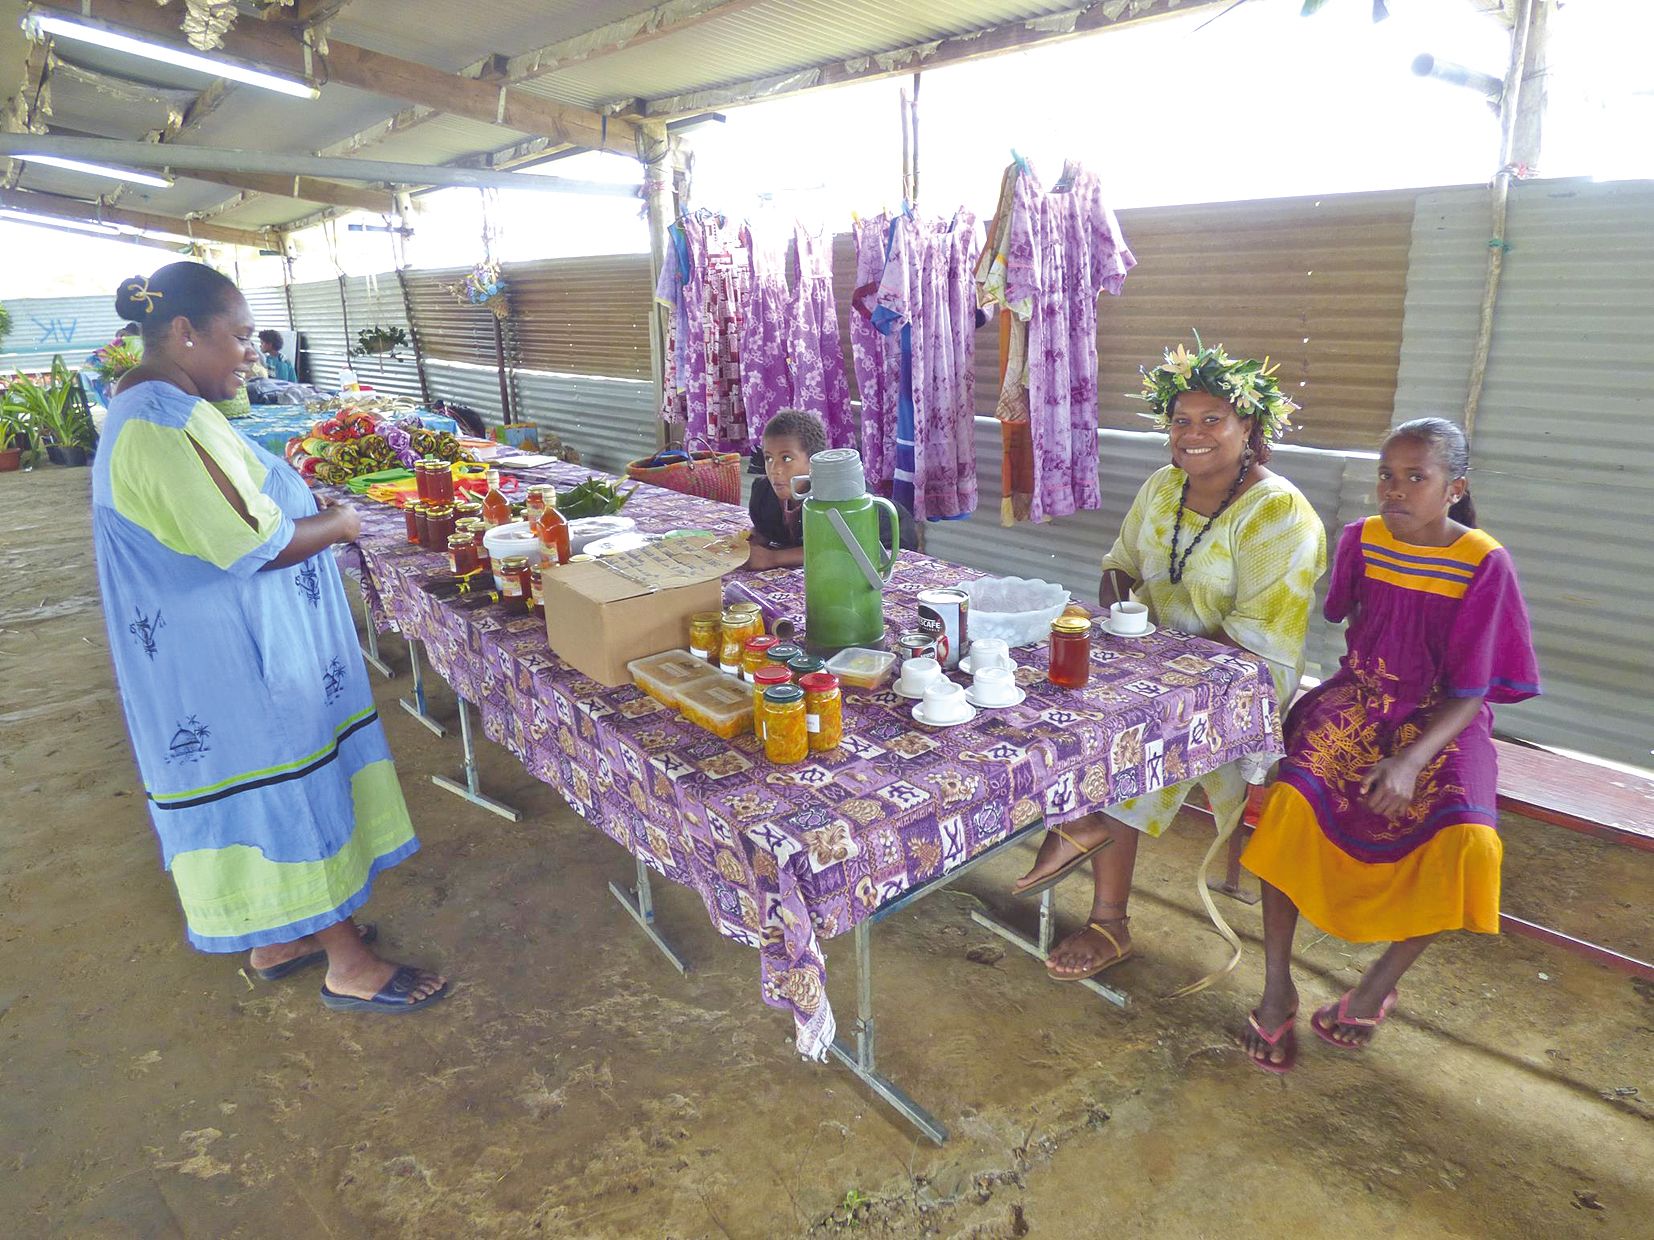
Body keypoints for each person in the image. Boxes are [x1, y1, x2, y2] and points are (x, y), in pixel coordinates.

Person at [93, 262, 449, 1013]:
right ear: (185, 333)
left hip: (223, 652)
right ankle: (347, 963)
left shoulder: (164, 407)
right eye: (242, 338)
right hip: (231, 665)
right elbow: (257, 544)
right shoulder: (159, 424)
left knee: (275, 784)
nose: (252, 354)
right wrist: (343, 523)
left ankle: (279, 934)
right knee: (285, 787)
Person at [1010, 337, 1327, 990]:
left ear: (1250, 427)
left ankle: (1097, 873)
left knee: (1139, 721)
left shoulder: (1279, 513)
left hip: (1243, 683)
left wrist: (1150, 657)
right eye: (1181, 421)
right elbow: (1119, 567)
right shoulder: (1162, 487)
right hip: (1148, 655)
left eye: (1214, 419)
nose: (1194, 434)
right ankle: (1080, 824)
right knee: (1054, 683)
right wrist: (1128, 613)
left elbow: (1259, 640)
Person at [1237, 418, 1538, 1072]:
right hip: (1359, 699)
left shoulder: (1484, 563)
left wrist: (1409, 759)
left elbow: (1472, 690)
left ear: (1454, 488)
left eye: (1414, 478)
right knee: (1290, 805)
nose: (1393, 492)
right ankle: (1276, 987)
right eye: (1385, 475)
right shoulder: (1362, 541)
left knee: (1466, 842)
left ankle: (1374, 987)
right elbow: (1347, 622)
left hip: (1441, 719)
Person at [745, 408, 918, 569]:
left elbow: (838, 548)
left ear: (814, 461)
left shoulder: (843, 491)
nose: (775, 469)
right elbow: (774, 532)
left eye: (786, 458)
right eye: (768, 458)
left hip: (887, 544)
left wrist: (773, 558)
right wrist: (759, 537)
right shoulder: (763, 494)